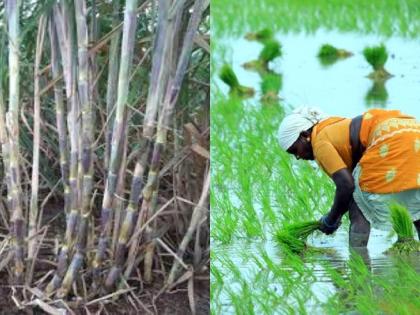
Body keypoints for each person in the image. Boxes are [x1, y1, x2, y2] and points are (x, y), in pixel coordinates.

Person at [277, 106, 420, 247]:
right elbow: (349, 187)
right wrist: (335, 214)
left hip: (389, 138)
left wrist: (331, 219)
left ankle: (358, 262)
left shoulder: (319, 142)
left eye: (295, 150)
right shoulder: (335, 125)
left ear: (305, 136)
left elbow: (346, 185)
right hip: (412, 132)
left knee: (357, 204)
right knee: (416, 200)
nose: (298, 157)